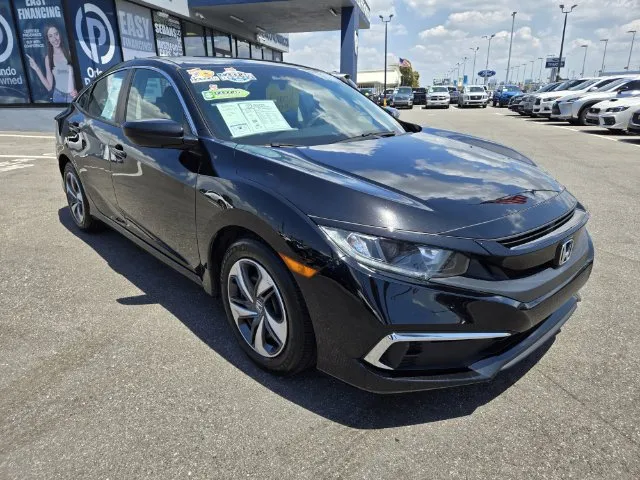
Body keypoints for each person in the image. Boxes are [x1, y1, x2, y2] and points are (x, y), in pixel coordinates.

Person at [27, 24, 77, 103]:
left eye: (56, 34)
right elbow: (49, 87)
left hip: (73, 96)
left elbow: (79, 76)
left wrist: (78, 89)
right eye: (50, 36)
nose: (55, 39)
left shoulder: (70, 53)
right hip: (58, 97)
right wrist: (36, 69)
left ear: (60, 35)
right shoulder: (48, 58)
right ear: (48, 40)